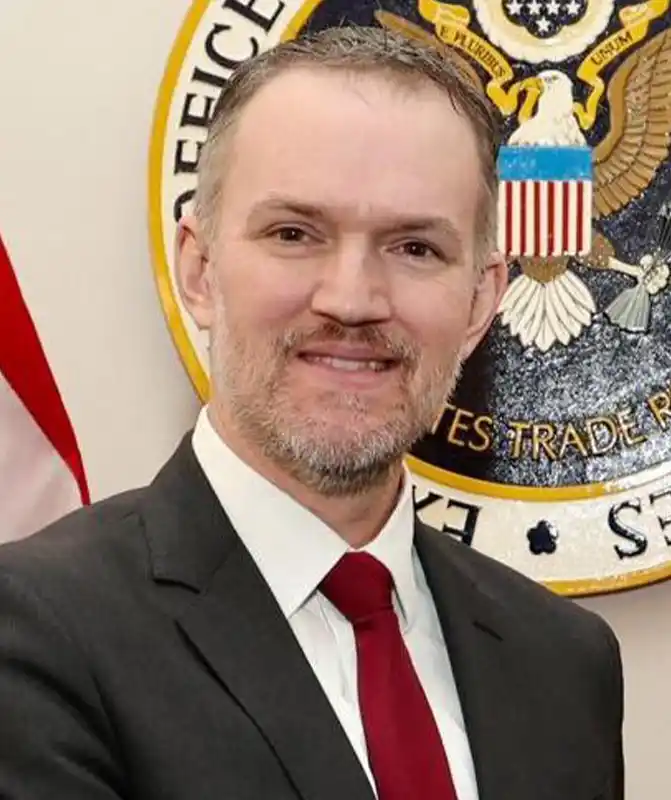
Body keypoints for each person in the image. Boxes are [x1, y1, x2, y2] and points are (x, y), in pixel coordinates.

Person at [0, 26, 623, 800]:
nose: (351, 299)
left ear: (479, 300)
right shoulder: (36, 635)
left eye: (415, 248)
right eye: (293, 234)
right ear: (199, 269)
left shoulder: (564, 662)